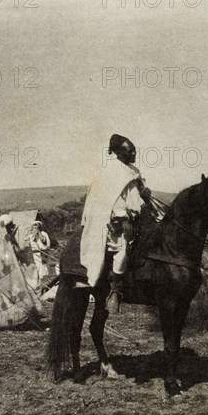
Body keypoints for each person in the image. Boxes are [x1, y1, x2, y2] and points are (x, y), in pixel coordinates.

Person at [80, 134, 152, 313]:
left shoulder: (133, 170)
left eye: (134, 150)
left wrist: (144, 195)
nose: (133, 153)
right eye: (129, 151)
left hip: (137, 216)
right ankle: (115, 291)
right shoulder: (110, 171)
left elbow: (135, 196)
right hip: (114, 220)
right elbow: (112, 200)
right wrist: (124, 218)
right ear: (117, 152)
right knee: (122, 249)